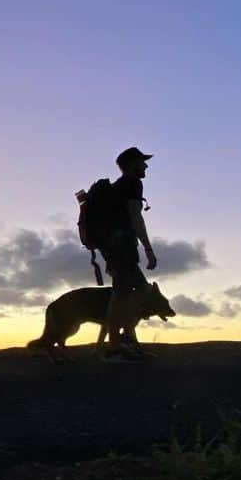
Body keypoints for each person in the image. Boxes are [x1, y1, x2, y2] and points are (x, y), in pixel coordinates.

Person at [101, 147, 157, 361]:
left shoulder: (116, 188)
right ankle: (117, 344)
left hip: (112, 248)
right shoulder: (132, 184)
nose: (145, 165)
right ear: (132, 164)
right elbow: (136, 218)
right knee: (138, 291)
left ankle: (121, 342)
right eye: (142, 161)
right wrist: (148, 249)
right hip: (122, 247)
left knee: (122, 293)